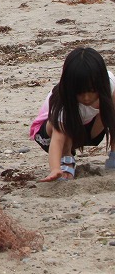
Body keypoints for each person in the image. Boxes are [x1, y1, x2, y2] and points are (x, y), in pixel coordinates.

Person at [31, 47, 115, 181]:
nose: (87, 98)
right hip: (51, 134)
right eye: (80, 93)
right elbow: (57, 139)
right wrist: (55, 168)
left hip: (85, 129)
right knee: (60, 125)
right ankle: (66, 159)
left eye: (92, 91)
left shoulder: (109, 83)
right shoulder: (62, 100)